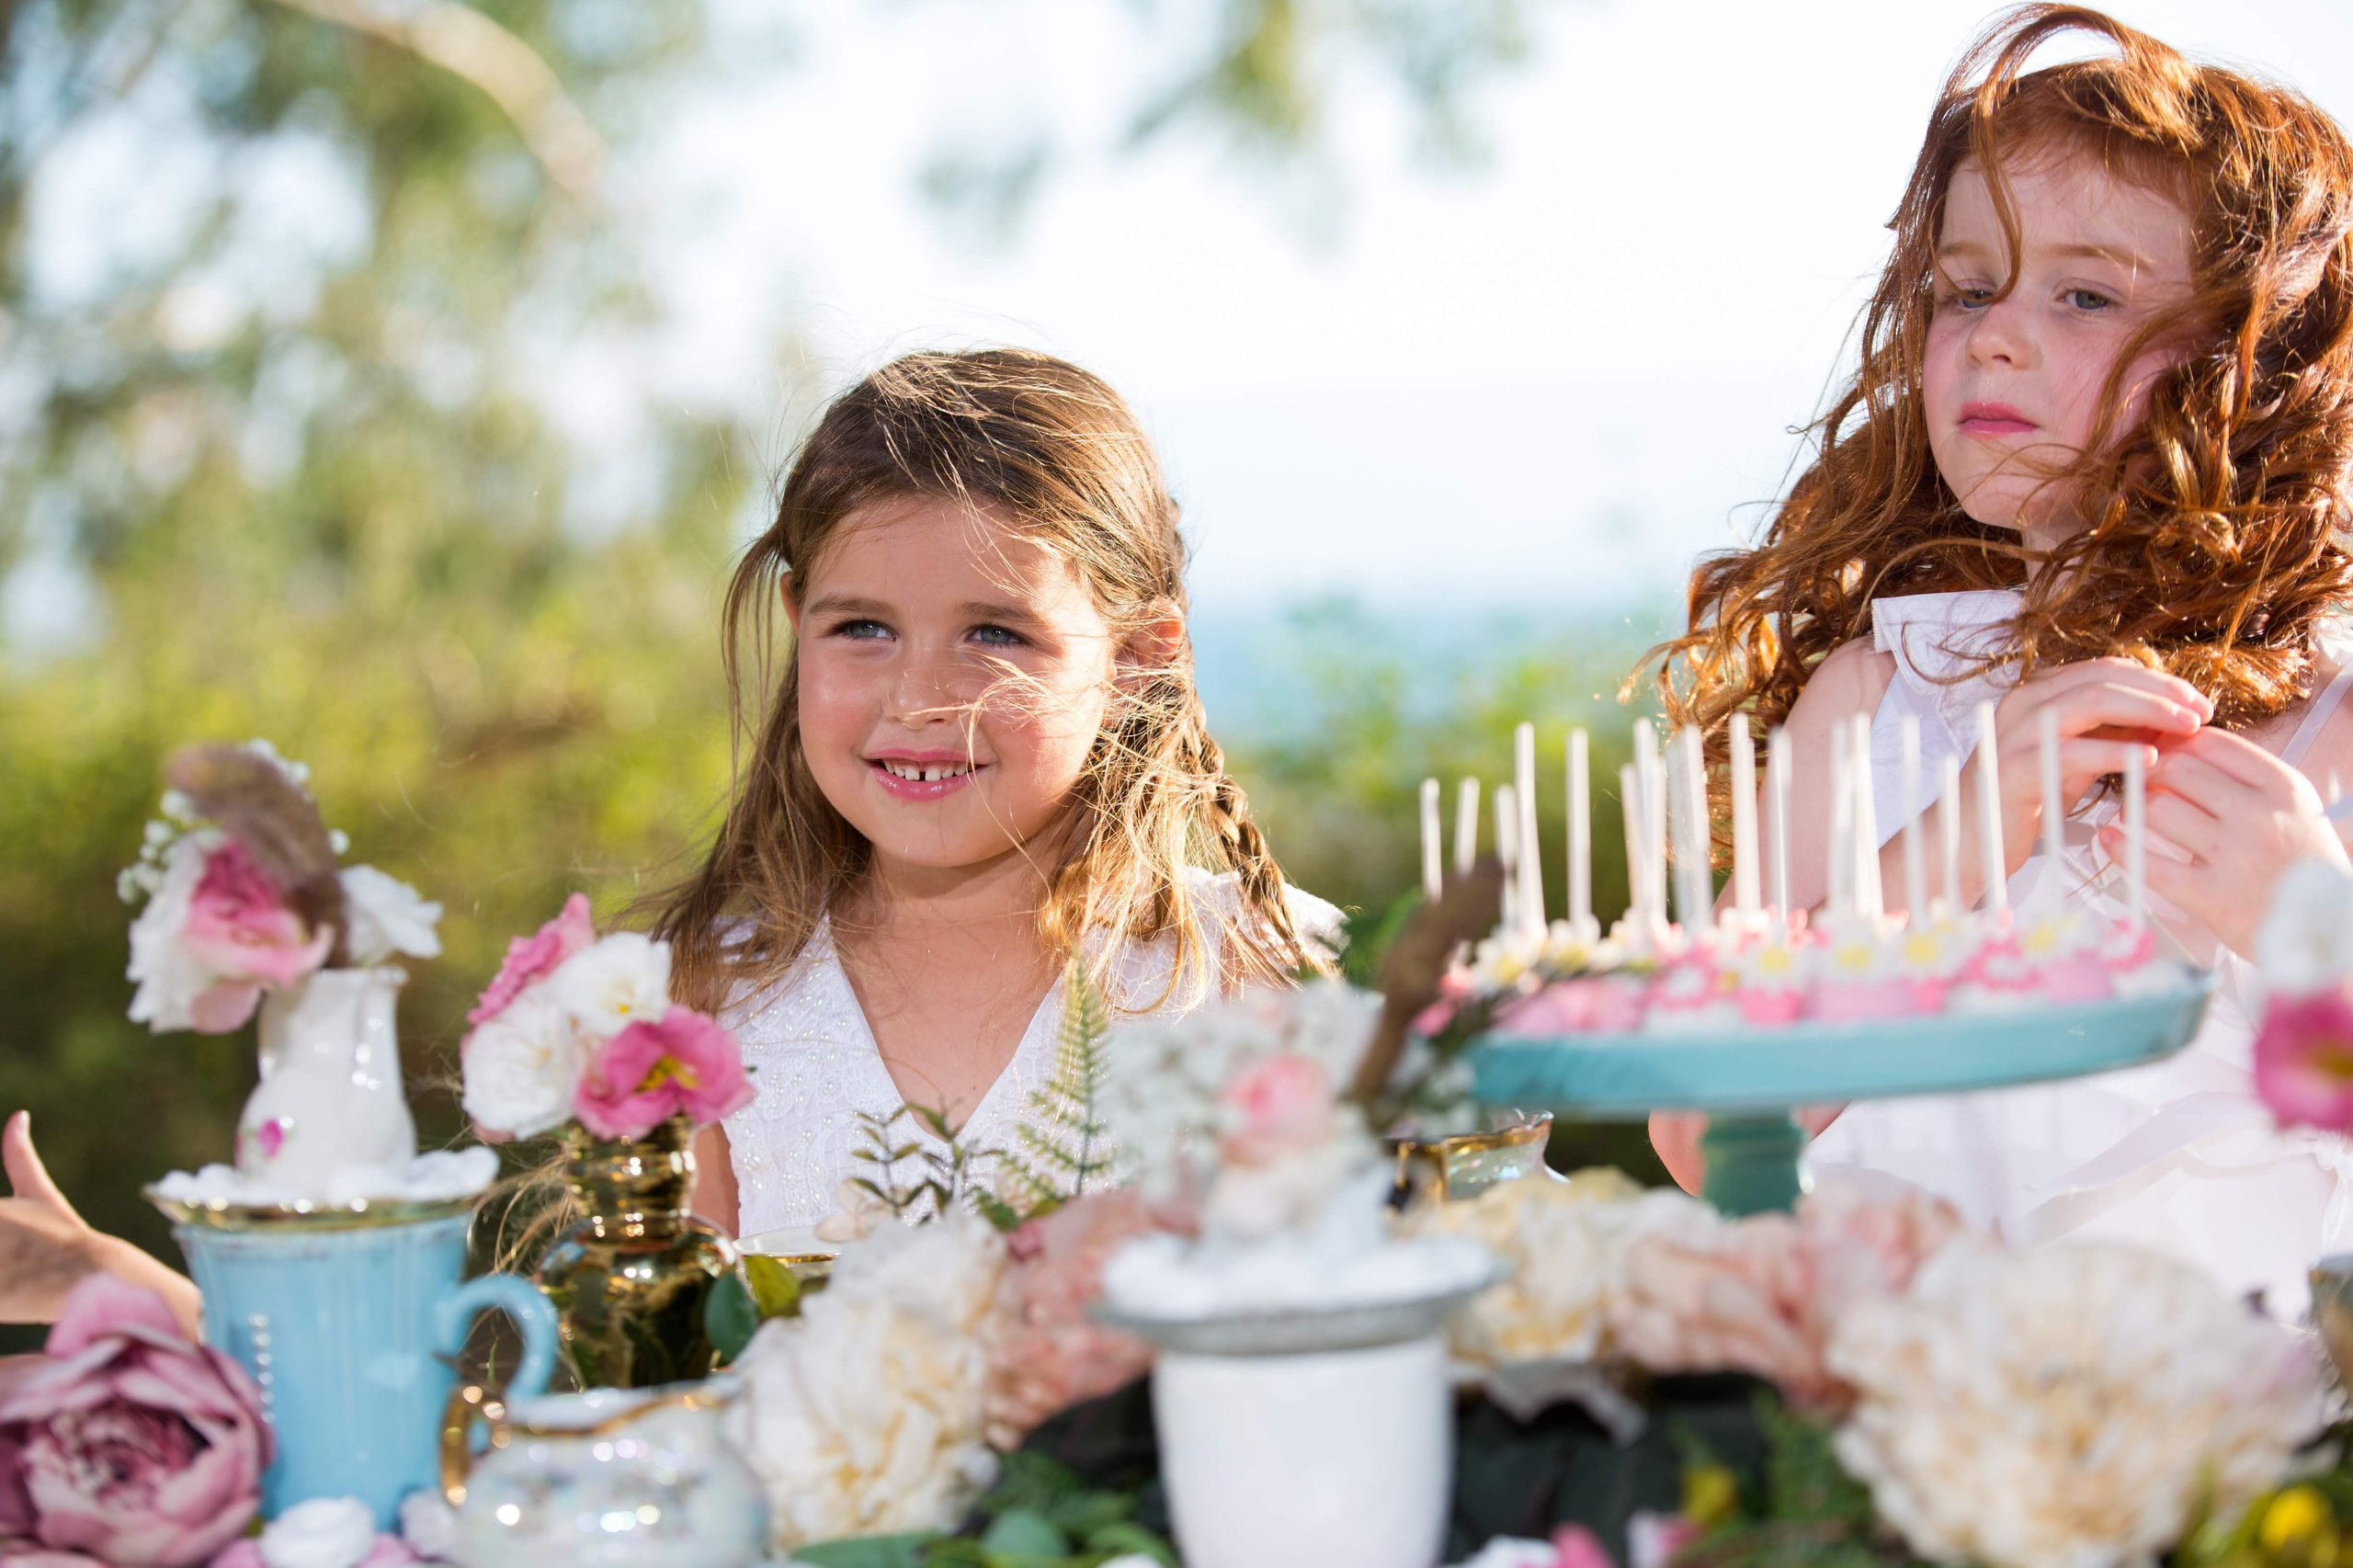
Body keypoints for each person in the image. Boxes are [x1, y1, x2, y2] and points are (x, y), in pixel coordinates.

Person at [1647, 6, 2353, 1311]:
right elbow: (1703, 1137)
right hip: (1904, 1411)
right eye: (1968, 288)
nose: (1994, 334)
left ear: (2254, 366)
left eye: (2084, 294)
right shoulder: (1877, 699)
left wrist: (2310, 936)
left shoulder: (2332, 731)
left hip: (2247, 1427)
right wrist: (1969, 828)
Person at [649, 348, 1336, 1241]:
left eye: (995, 634)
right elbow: (676, 1330)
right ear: (797, 621)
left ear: (1134, 659)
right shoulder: (706, 997)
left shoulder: (1251, 976)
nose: (917, 698)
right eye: (862, 626)